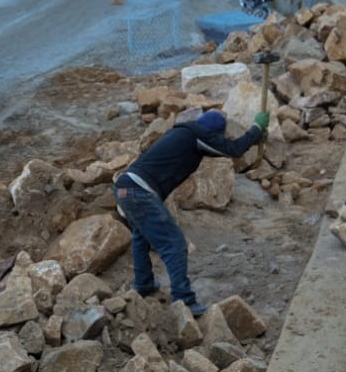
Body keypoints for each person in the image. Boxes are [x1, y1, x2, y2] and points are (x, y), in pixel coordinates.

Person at [114, 109, 269, 316]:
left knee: (140, 237)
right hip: (139, 190)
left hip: (125, 187)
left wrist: (255, 138)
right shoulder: (196, 134)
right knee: (174, 243)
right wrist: (256, 129)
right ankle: (184, 300)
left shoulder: (183, 134)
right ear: (212, 132)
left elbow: (216, 149)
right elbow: (233, 149)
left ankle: (143, 283)